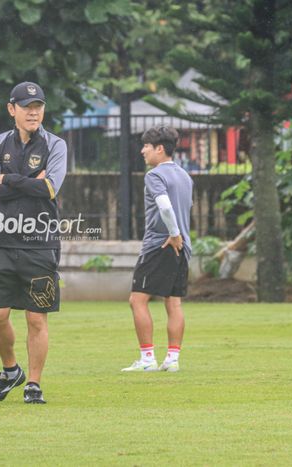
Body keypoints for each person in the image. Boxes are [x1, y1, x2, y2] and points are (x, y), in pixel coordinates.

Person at [0, 81, 67, 404]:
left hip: (40, 241)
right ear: (11, 109)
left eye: (39, 106)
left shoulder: (56, 145)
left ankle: (33, 383)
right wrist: (30, 181)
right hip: (2, 240)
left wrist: (9, 180)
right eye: (27, 107)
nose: (34, 112)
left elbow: (50, 190)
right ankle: (10, 370)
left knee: (35, 317)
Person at [122, 126, 193, 373]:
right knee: (173, 303)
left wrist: (172, 234)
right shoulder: (185, 176)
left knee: (137, 300)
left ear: (159, 149)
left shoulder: (154, 175)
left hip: (160, 244)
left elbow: (164, 206)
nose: (143, 151)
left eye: (147, 146)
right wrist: (179, 236)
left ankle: (147, 358)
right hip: (183, 247)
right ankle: (172, 360)